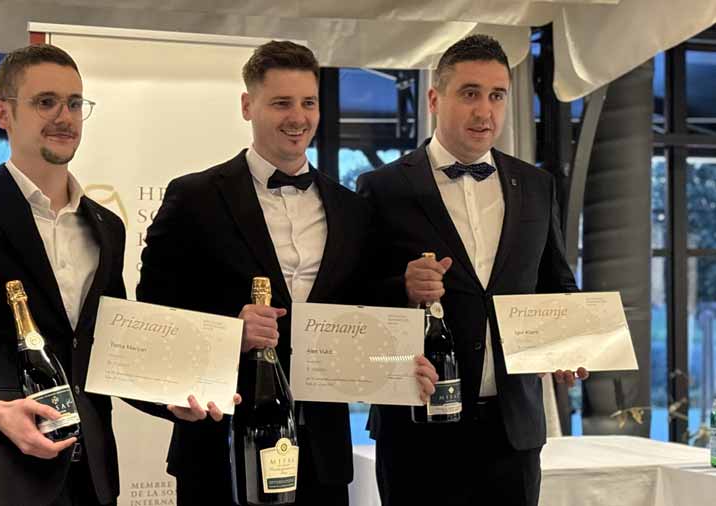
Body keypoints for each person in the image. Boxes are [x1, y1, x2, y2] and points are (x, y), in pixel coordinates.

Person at [0, 44, 223, 506]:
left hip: (95, 482)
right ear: (3, 113)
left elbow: (106, 352)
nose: (64, 117)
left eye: (74, 103)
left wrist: (168, 395)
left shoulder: (107, 226)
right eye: (45, 102)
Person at [137, 41, 434, 506]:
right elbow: (155, 314)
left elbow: (363, 312)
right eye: (281, 103)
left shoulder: (352, 209)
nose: (298, 117)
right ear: (247, 106)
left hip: (322, 455)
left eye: (308, 103)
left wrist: (404, 338)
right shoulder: (194, 198)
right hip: (221, 445)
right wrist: (229, 332)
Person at [357, 34, 589, 506]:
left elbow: (557, 283)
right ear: (434, 99)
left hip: (513, 430)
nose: (485, 111)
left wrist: (570, 342)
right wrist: (402, 287)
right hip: (416, 430)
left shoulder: (537, 185)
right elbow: (353, 298)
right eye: (470, 93)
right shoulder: (382, 187)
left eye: (497, 95)